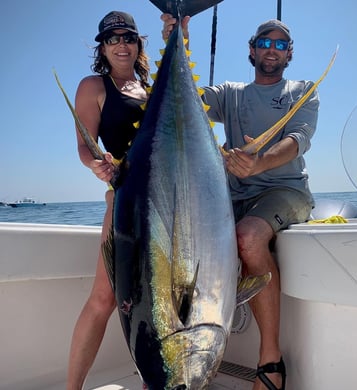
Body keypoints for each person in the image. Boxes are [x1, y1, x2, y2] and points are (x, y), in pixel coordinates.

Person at [161, 14, 319, 390]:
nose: (272, 49)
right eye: (265, 42)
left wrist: (260, 162)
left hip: (286, 191)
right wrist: (176, 43)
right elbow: (185, 102)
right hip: (232, 196)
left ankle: (270, 357)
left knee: (246, 237)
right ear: (252, 49)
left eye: (281, 44)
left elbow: (298, 140)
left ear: (289, 54)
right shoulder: (230, 93)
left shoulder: (302, 90)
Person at [66, 11, 150, 390]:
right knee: (104, 298)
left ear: (138, 45)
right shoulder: (94, 86)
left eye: (128, 37)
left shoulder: (151, 88)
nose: (121, 43)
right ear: (102, 46)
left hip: (166, 205)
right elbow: (86, 144)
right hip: (125, 203)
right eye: (112, 38)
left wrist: (178, 33)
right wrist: (97, 165)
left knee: (158, 295)